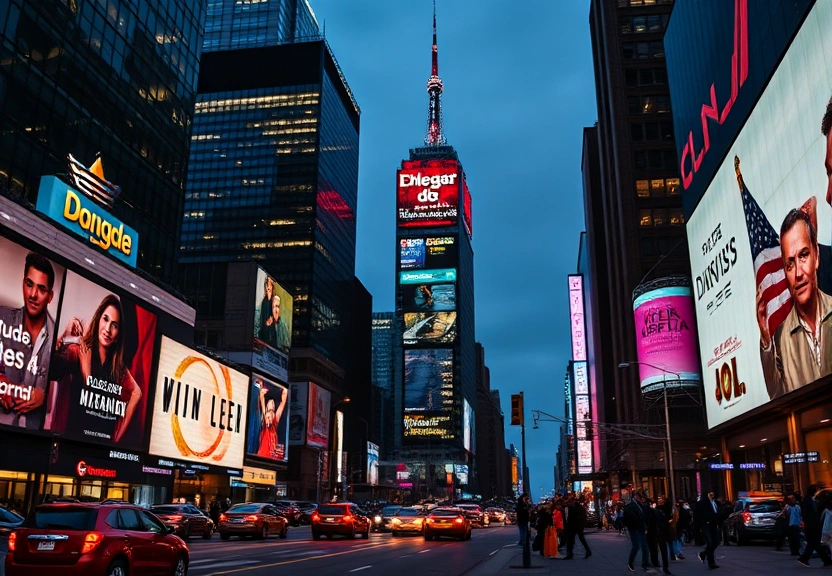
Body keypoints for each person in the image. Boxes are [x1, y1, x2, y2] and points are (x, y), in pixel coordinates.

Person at [758, 209, 832, 399]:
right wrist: (766, 339)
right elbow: (778, 397)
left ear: (817, 256)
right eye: (790, 264)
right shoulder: (781, 338)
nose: (798, 273)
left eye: (804, 255)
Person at [50, 294, 142, 443]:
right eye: (105, 319)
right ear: (98, 319)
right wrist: (63, 337)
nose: (107, 329)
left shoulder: (117, 369)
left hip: (100, 450)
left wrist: (116, 440)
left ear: (118, 335)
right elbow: (50, 370)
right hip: (71, 445)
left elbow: (136, 393)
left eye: (115, 325)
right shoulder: (78, 352)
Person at [0, 252, 56, 429]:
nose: (33, 294)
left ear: (50, 296)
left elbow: (65, 395)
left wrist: (45, 395)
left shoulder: (56, 338)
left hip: (34, 438)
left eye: (41, 289)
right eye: (29, 284)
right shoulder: (3, 318)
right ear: (23, 283)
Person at [798, 485, 832, 567]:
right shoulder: (808, 501)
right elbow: (810, 514)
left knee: (816, 544)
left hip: (813, 525)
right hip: (812, 526)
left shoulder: (810, 500)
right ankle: (804, 558)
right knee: (813, 543)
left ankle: (826, 561)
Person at [255, 380, 288, 459]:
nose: (272, 404)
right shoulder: (264, 418)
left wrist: (285, 388)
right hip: (263, 454)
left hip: (270, 454)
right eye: (270, 403)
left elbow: (283, 402)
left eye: (273, 404)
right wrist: (261, 390)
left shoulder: (275, 421)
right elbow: (262, 398)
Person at [694, 491, 722, 569]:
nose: (712, 495)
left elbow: (719, 512)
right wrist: (700, 525)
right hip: (705, 525)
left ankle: (703, 554)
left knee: (716, 542)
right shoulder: (701, 503)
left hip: (714, 524)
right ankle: (711, 562)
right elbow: (697, 515)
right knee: (709, 542)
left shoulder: (716, 502)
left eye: (713, 493)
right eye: (710, 493)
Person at [625, 491, 651, 572]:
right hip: (634, 528)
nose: (641, 499)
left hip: (641, 527)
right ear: (636, 496)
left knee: (645, 546)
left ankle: (645, 563)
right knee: (636, 546)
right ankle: (630, 563)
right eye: (640, 497)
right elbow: (630, 516)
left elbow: (644, 515)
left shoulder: (640, 505)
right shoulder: (630, 505)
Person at [564, 494, 591, 559]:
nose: (568, 503)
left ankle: (570, 554)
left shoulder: (572, 508)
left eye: (569, 502)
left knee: (570, 539)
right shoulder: (581, 507)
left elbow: (569, 519)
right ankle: (587, 551)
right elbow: (584, 517)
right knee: (581, 538)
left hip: (573, 526)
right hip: (579, 526)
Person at [655, 496, 673, 575]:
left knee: (665, 549)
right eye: (659, 500)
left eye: (662, 500)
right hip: (660, 531)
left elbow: (670, 518)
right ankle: (663, 565)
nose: (661, 501)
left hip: (664, 531)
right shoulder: (656, 510)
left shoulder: (667, 508)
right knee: (662, 549)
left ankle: (665, 565)